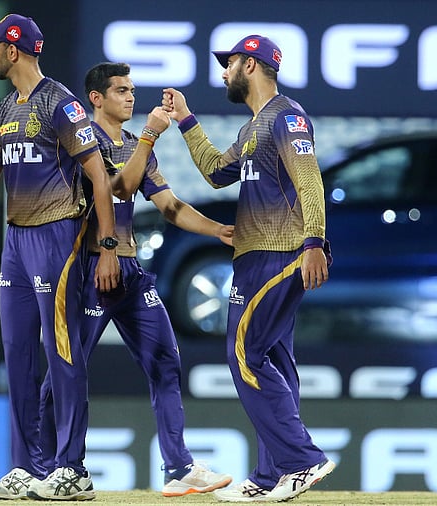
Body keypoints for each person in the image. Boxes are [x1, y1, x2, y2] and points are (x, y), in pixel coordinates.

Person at [0, 14, 120, 501]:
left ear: (13, 51)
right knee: (17, 354)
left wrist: (108, 246)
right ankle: (27, 468)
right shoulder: (1, 113)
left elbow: (99, 176)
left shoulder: (61, 103)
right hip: (15, 242)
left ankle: (71, 468)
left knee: (61, 352)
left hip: (57, 236)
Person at [37, 62, 235, 497]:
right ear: (96, 98)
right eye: (121, 90)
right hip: (89, 270)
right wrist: (149, 137)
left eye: (131, 90)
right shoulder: (79, 142)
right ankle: (46, 466)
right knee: (65, 370)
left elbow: (169, 205)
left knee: (165, 362)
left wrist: (216, 230)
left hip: (129, 273)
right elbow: (118, 189)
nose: (130, 97)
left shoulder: (133, 144)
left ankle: (178, 467)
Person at [162, 35, 335, 502]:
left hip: (279, 254)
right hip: (256, 255)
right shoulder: (254, 126)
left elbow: (309, 180)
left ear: (252, 66)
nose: (224, 72)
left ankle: (301, 460)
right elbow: (216, 172)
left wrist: (314, 242)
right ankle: (269, 475)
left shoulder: (286, 116)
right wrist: (186, 120)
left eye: (231, 63)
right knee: (273, 359)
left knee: (245, 355)